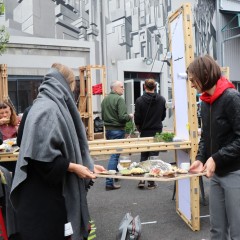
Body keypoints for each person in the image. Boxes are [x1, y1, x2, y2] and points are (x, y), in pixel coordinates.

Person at [10, 63, 105, 240]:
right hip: (42, 200)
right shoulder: (48, 109)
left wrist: (86, 166)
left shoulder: (42, 106)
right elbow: (42, 158)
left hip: (43, 194)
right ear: (65, 85)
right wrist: (74, 167)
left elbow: (35, 146)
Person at [187, 55, 240, 240]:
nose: (192, 84)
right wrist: (201, 159)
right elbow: (206, 137)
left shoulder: (231, 97)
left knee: (237, 232)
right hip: (216, 175)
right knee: (216, 231)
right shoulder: (205, 101)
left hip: (235, 173)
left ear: (205, 74)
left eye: (193, 80)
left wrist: (216, 158)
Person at [134, 78, 166, 189]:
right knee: (154, 157)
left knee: (144, 156)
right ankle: (151, 182)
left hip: (145, 130)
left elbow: (137, 118)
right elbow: (163, 116)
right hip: (157, 130)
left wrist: (139, 127)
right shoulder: (162, 99)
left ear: (144, 87)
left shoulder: (139, 100)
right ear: (155, 86)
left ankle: (142, 179)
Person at [101, 80, 133, 190]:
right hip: (117, 130)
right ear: (115, 89)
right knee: (114, 155)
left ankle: (115, 174)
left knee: (114, 153)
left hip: (108, 130)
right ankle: (109, 182)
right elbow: (122, 117)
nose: (123, 88)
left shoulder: (105, 99)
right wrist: (129, 116)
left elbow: (103, 115)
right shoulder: (119, 99)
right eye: (121, 87)